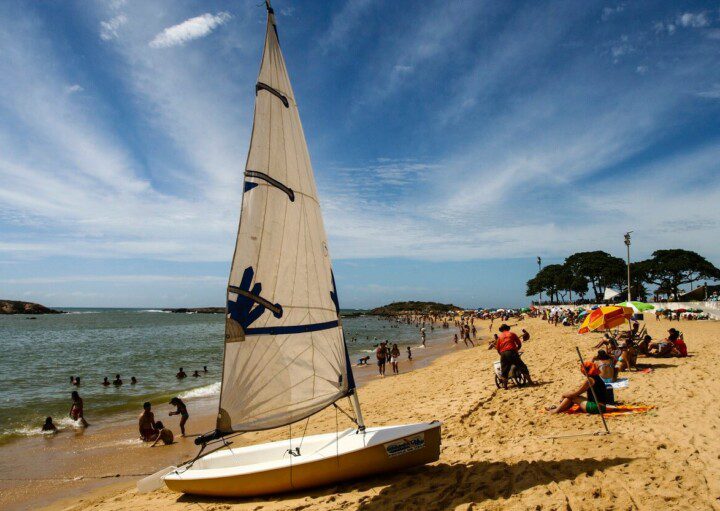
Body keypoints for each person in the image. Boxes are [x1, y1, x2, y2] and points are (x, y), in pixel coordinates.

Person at [546, 362, 618, 414]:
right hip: (601, 406)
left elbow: (576, 393)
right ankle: (558, 409)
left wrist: (563, 395)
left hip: (596, 407)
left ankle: (557, 410)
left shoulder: (589, 380)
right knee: (572, 396)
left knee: (572, 397)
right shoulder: (597, 377)